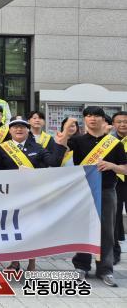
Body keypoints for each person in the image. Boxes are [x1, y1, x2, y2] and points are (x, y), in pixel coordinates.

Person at [0, 116, 70, 272]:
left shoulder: (37, 147)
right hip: (11, 196)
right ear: (10, 130)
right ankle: (14, 262)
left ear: (28, 129)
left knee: (32, 229)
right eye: (15, 126)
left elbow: (54, 163)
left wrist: (60, 144)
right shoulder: (2, 148)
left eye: (22, 126)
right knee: (13, 228)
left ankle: (32, 262)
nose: (19, 129)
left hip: (33, 196)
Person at [68, 107, 127, 286]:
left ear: (103, 120)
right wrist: (64, 133)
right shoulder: (77, 141)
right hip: (82, 191)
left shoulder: (114, 143)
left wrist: (112, 166)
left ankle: (105, 269)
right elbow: (62, 158)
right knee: (83, 229)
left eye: (96, 116)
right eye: (88, 116)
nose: (92, 119)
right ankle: (81, 266)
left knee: (107, 231)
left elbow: (125, 168)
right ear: (85, 119)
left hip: (107, 191)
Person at [112, 111, 127, 265]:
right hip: (115, 184)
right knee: (114, 219)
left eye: (125, 122)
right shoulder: (108, 142)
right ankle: (115, 253)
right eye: (119, 122)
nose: (123, 124)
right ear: (113, 124)